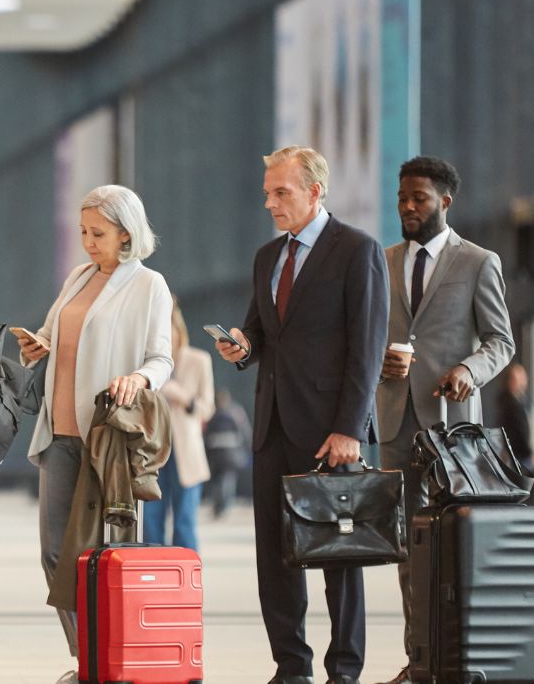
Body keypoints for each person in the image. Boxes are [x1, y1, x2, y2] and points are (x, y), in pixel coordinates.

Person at [215, 145, 389, 684]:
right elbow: (262, 333)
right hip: (272, 428)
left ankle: (345, 671)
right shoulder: (268, 257)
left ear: (315, 191)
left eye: (280, 192)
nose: (270, 202)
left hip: (329, 432)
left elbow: (368, 347)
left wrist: (349, 429)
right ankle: (291, 667)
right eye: (268, 192)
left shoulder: (357, 250)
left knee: (339, 557)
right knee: (275, 557)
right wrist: (242, 347)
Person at [13, 184, 175, 675]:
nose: (88, 242)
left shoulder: (149, 286)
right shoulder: (78, 277)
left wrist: (138, 377)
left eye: (98, 233)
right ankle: (87, 657)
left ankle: (110, 660)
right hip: (60, 432)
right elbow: (53, 334)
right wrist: (36, 345)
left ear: (126, 233)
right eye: (83, 231)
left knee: (104, 554)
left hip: (106, 438)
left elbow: (162, 357)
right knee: (54, 552)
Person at [371, 156, 515, 684]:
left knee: (455, 545)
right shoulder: (380, 262)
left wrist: (468, 371)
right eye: (402, 198)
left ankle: (459, 656)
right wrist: (376, 362)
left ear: (445, 202)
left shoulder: (479, 262)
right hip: (395, 425)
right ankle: (420, 659)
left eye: (420, 199)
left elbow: (501, 342)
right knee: (409, 549)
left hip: (454, 433)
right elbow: (363, 337)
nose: (408, 207)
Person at [141, 301, 215, 553]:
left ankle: (187, 583)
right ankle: (155, 579)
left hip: (188, 455)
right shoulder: (144, 364)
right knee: (150, 524)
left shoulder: (199, 360)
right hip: (153, 453)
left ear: (177, 328)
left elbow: (207, 408)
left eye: (167, 328)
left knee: (184, 523)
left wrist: (182, 396)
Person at [203, 389, 252, 519]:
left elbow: (206, 433)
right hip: (231, 453)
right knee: (227, 480)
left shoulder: (212, 412)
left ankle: (218, 506)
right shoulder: (236, 412)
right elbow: (245, 432)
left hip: (214, 452)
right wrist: (246, 449)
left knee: (217, 480)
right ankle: (223, 506)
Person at [495, 363, 534, 472]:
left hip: (524, 456)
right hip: (517, 456)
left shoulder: (524, 401)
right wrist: (529, 452)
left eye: (522, 377)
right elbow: (518, 431)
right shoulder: (508, 403)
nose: (521, 381)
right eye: (517, 378)